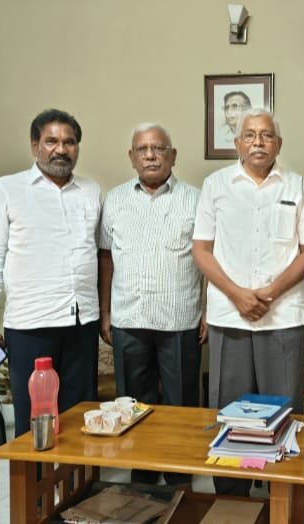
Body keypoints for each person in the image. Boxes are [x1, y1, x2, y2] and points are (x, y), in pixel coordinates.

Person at [193, 107, 304, 496]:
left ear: (278, 144)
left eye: (266, 135)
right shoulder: (215, 185)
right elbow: (201, 250)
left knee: (283, 411)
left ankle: (284, 499)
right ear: (237, 143)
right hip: (230, 317)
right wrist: (238, 295)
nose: (258, 142)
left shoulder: (296, 186)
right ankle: (233, 499)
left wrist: (271, 292)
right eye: (250, 135)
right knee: (232, 410)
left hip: (283, 317)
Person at [0, 109, 101, 437]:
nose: (61, 149)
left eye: (69, 142)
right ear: (34, 146)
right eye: (51, 141)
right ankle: (35, 473)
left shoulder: (91, 191)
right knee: (35, 423)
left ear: (78, 147)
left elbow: (99, 254)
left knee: (80, 418)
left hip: (81, 323)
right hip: (31, 326)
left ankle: (74, 473)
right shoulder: (6, 189)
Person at [98, 123, 205, 485]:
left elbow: (209, 259)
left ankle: (179, 478)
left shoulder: (196, 199)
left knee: (180, 405)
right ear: (132, 158)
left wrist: (208, 310)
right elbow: (106, 258)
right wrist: (106, 312)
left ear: (172, 156)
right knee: (132, 405)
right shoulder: (115, 200)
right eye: (142, 149)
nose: (150, 155)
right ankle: (142, 476)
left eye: (158, 148)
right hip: (129, 318)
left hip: (180, 320)